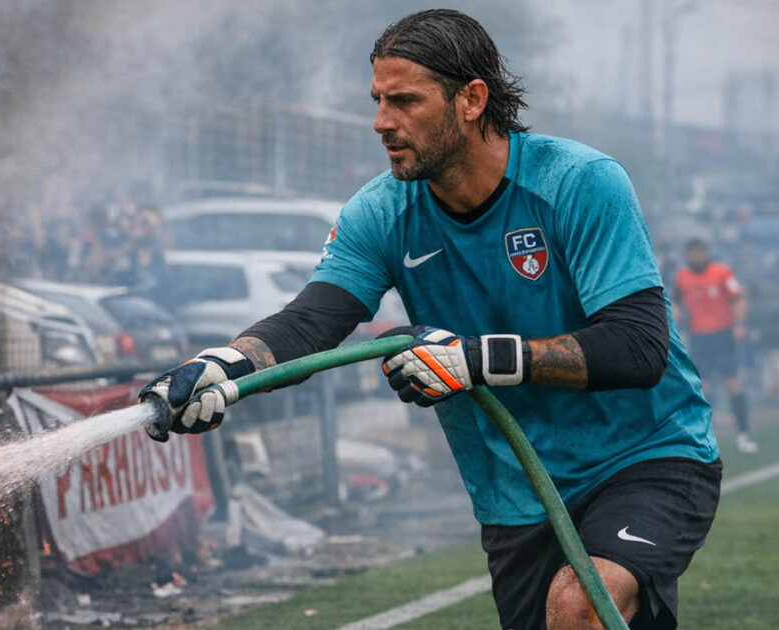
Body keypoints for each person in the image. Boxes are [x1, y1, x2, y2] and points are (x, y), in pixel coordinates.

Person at [139, 9, 719, 630]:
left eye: (405, 101)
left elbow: (638, 348)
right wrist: (223, 364)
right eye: (378, 100)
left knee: (577, 608)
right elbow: (313, 319)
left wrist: (473, 359)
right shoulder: (380, 212)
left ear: (472, 99)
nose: (381, 122)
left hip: (646, 454)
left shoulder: (581, 182)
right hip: (515, 484)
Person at [673, 238, 757, 453]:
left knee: (732, 383)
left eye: (699, 252)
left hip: (723, 335)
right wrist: (675, 323)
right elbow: (675, 303)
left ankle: (743, 435)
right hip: (699, 337)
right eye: (692, 253)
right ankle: (706, 435)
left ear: (706, 252)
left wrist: (739, 324)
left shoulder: (722, 272)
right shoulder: (682, 277)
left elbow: (739, 298)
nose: (696, 256)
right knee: (702, 386)